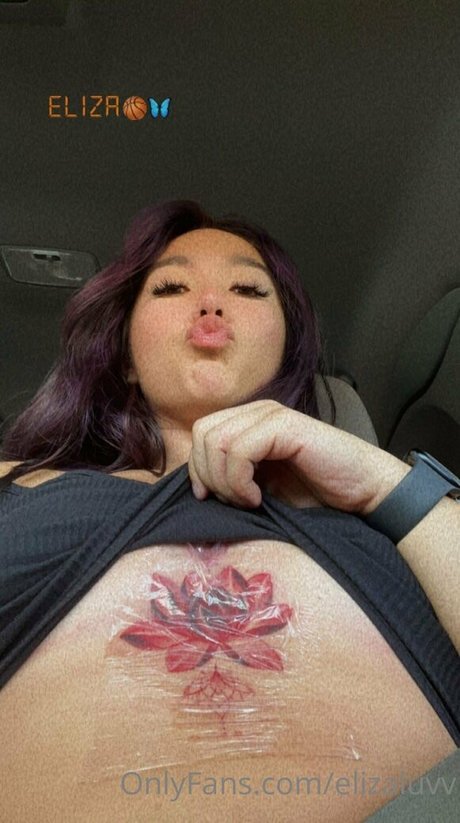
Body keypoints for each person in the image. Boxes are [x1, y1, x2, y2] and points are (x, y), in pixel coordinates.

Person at [0, 200, 458, 823]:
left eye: (247, 289)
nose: (211, 304)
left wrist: (381, 481)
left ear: (288, 351)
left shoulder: (392, 516)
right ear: (127, 358)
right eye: (172, 287)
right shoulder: (18, 484)